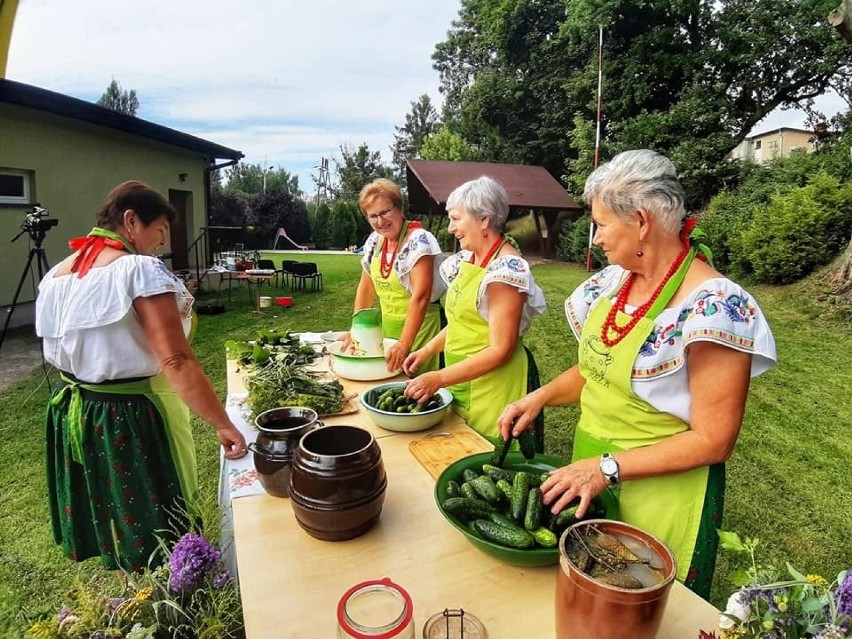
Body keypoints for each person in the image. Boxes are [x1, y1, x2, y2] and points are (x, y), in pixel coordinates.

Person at [497, 150, 776, 598]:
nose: (595, 239)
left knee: (642, 604)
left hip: (660, 493)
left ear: (641, 221)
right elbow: (597, 371)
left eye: (602, 224)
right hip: (590, 468)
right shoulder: (613, 283)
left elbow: (714, 439)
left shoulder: (713, 305)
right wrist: (541, 396)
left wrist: (606, 469)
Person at [35, 180, 247, 572]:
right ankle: (180, 592)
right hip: (132, 416)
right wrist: (222, 423)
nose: (161, 244)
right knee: (160, 515)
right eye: (159, 231)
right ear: (131, 221)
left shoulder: (57, 276)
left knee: (113, 506)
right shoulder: (137, 270)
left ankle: (140, 591)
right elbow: (176, 360)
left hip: (78, 412)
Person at [403, 176, 546, 444]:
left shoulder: (505, 270)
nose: (450, 228)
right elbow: (461, 323)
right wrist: (426, 351)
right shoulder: (469, 260)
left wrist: (440, 377)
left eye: (456, 219)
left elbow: (501, 349)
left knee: (485, 459)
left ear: (484, 219)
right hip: (462, 378)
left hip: (493, 388)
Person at [343, 178, 445, 373]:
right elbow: (366, 288)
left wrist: (404, 344)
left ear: (399, 208)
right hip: (389, 329)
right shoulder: (375, 241)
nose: (380, 221)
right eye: (373, 216)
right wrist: (356, 330)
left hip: (422, 330)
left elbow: (421, 296)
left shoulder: (418, 241)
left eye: (385, 212)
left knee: (419, 389)